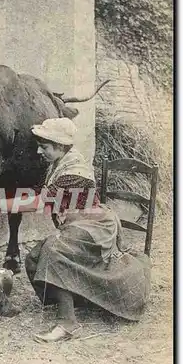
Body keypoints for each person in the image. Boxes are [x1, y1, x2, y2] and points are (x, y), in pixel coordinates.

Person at [22, 117, 151, 343]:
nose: (39, 151)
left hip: (95, 225)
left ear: (60, 146)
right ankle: (78, 297)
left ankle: (67, 323)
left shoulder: (73, 172)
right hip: (78, 223)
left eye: (44, 147)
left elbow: (38, 202)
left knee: (53, 252)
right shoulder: (59, 164)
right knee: (33, 258)